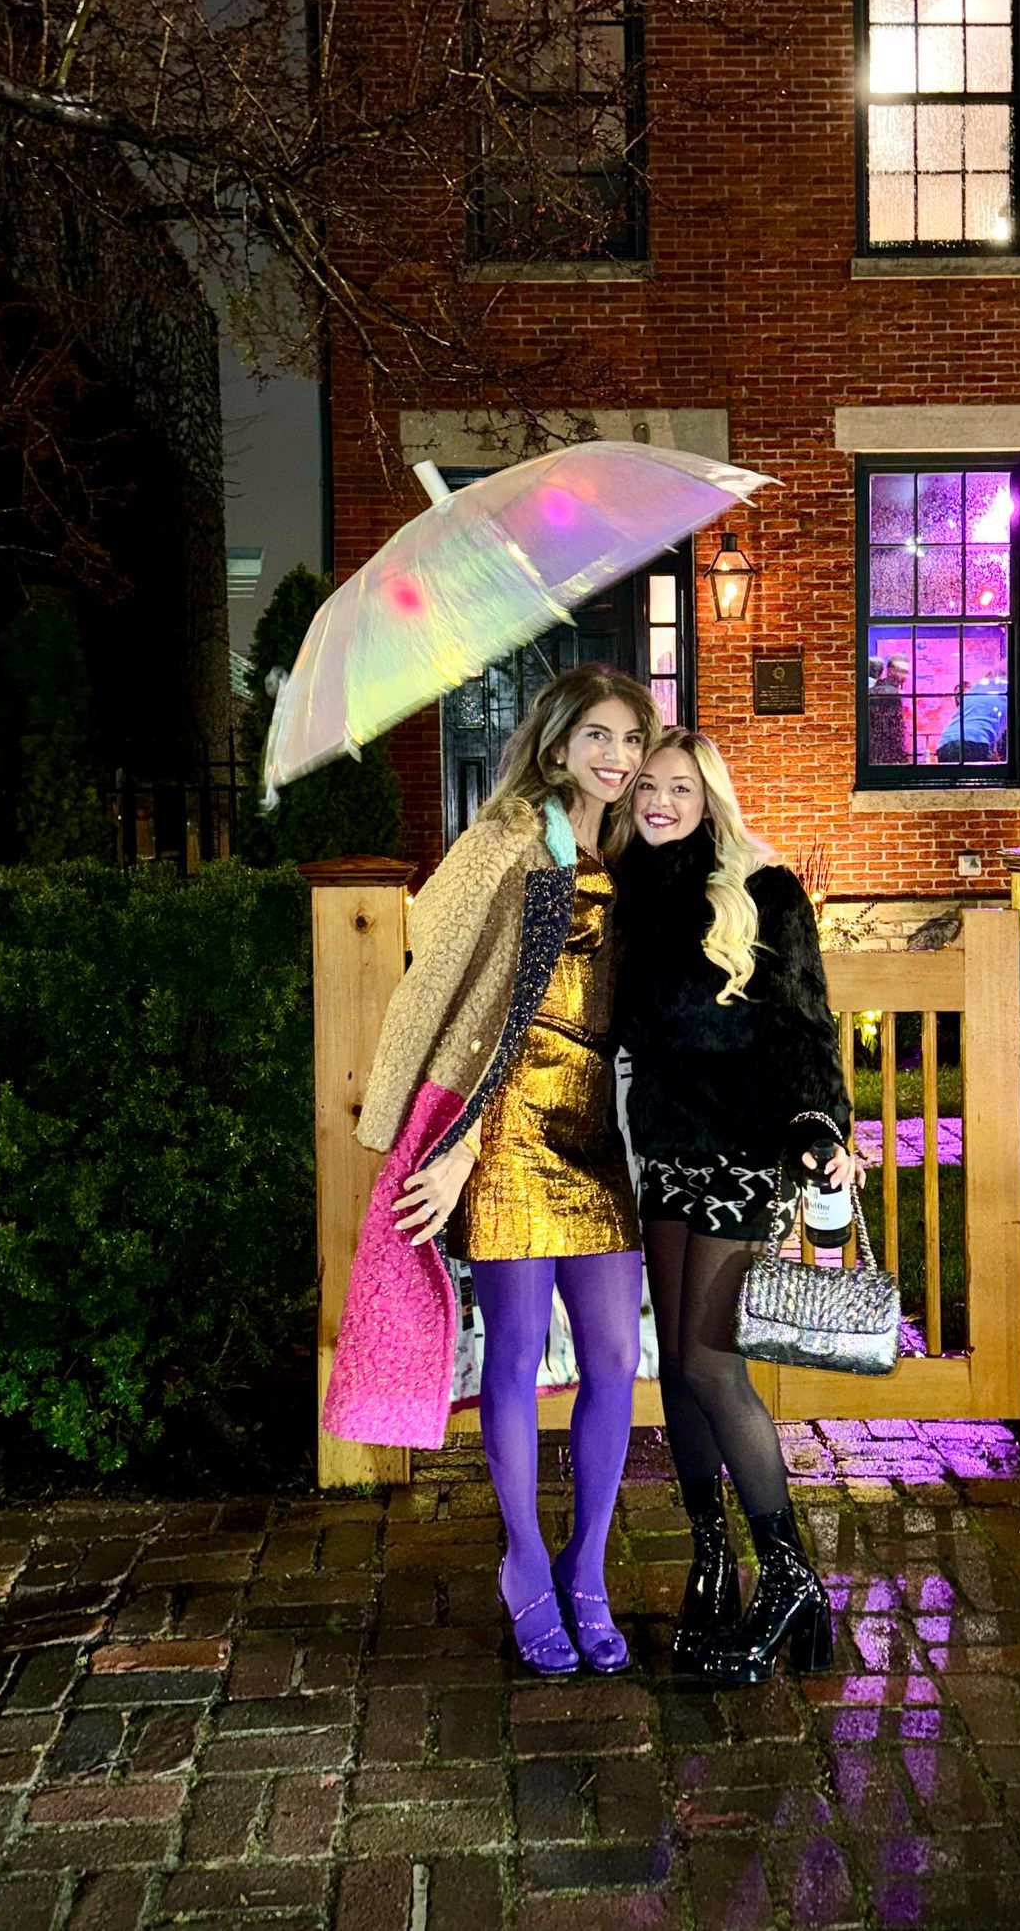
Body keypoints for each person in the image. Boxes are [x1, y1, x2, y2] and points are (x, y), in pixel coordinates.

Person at [321, 664, 659, 1676]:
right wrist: (455, 1135)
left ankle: (586, 1567)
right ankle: (523, 1564)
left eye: (631, 740)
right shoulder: (513, 834)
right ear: (556, 746)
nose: (617, 757)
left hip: (595, 1130)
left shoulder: (630, 846)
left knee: (610, 1359)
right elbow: (439, 951)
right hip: (506, 1128)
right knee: (512, 1357)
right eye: (598, 737)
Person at [613, 732, 868, 1683]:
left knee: (717, 1371)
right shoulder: (635, 894)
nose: (662, 800)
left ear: (710, 798)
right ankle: (712, 1556)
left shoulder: (764, 891)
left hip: (742, 1150)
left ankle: (792, 1576)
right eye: (648, 787)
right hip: (666, 1147)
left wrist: (820, 1126)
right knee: (675, 1368)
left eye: (681, 787)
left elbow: (803, 1022)